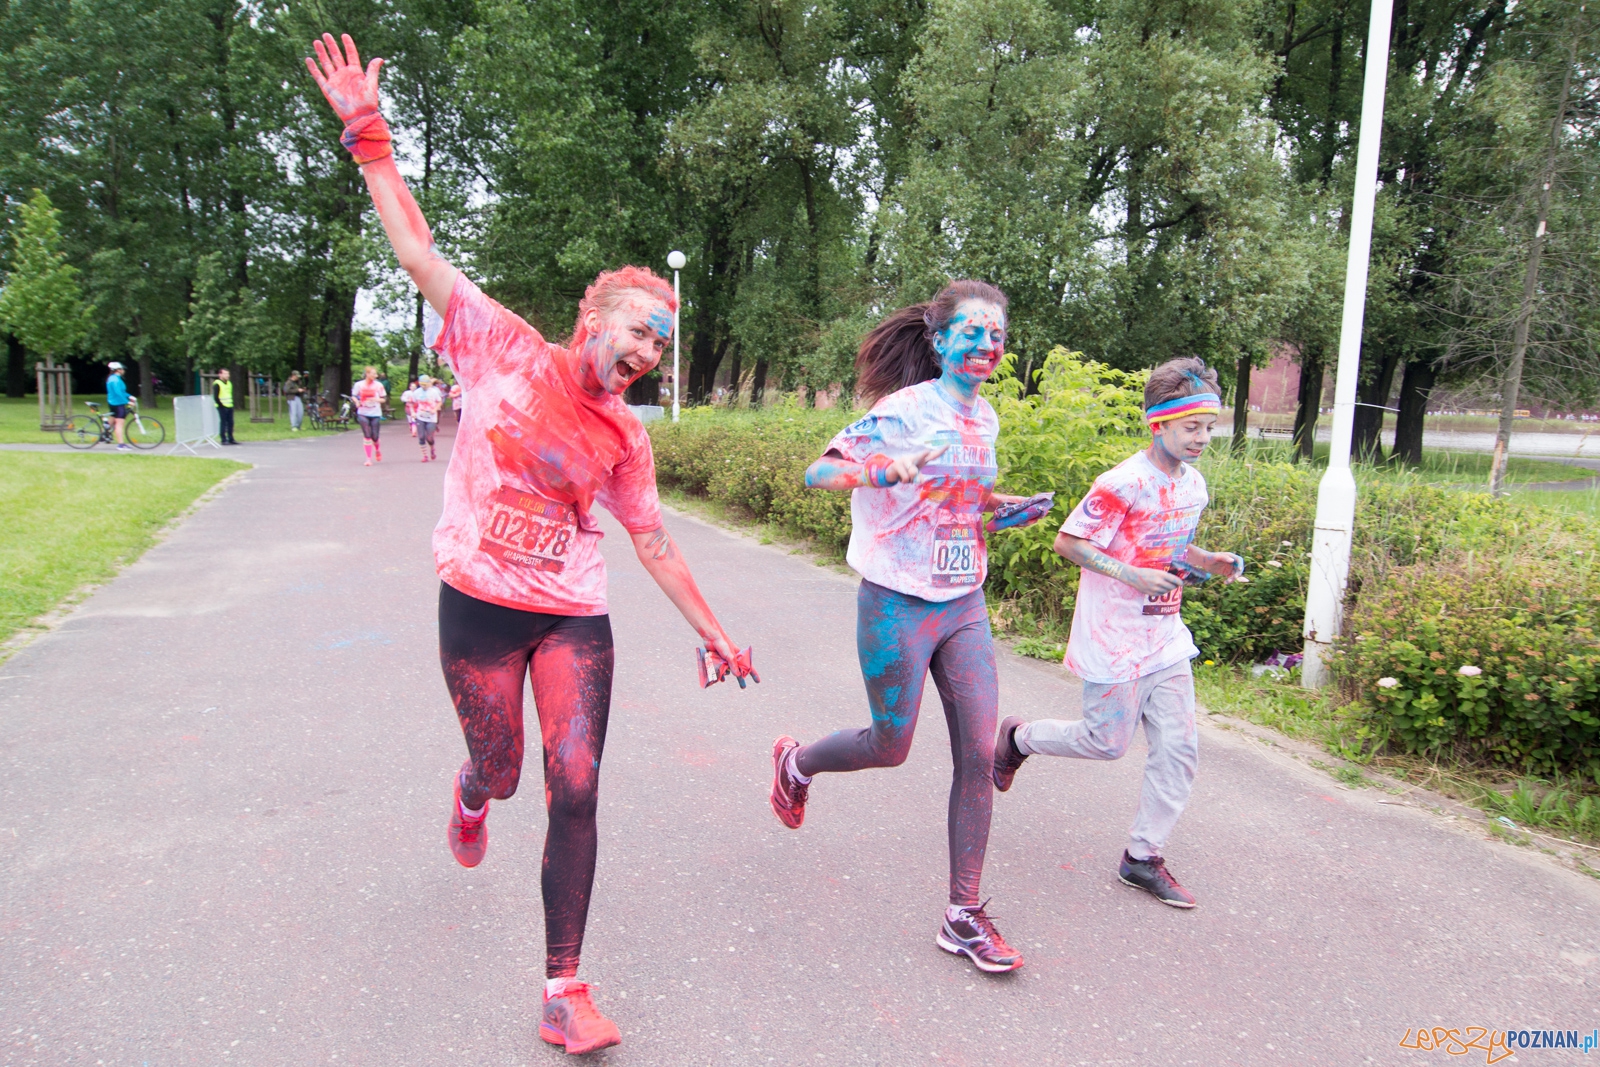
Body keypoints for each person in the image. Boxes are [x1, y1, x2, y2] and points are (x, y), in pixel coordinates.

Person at [307, 32, 757, 1055]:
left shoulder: (626, 436)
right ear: (591, 317)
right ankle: (470, 792)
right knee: (503, 769)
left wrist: (715, 630)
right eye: (635, 329)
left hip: (570, 612)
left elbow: (652, 541)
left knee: (578, 783)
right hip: (477, 601)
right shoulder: (500, 346)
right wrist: (369, 137)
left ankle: (565, 987)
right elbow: (418, 254)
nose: (645, 351)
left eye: (660, 343)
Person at [767, 280, 1049, 976]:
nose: (987, 344)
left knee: (977, 755)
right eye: (973, 332)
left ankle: (963, 913)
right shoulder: (903, 410)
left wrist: (1002, 508)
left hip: (964, 602)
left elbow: (959, 499)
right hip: (896, 601)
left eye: (997, 334)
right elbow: (818, 472)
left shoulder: (986, 418)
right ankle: (796, 764)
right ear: (940, 339)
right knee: (890, 745)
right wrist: (882, 469)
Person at [990, 357, 1244, 909]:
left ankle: (1142, 857)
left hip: (1165, 636)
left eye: (1209, 427)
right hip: (1112, 636)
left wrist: (1208, 561)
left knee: (1179, 749)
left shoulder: (1193, 485)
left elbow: (1173, 546)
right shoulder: (1121, 483)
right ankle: (1018, 738)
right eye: (1191, 427)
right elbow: (1068, 542)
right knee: (1106, 743)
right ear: (1159, 424)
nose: (1202, 438)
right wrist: (1131, 575)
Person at [352, 364, 387, 465]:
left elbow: (384, 399)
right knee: (367, 435)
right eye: (373, 374)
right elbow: (354, 396)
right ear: (367, 374)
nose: (376, 376)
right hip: (363, 412)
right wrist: (357, 402)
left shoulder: (378, 385)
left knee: (374, 436)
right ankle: (368, 459)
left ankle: (377, 449)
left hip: (375, 413)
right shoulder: (359, 385)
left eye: (376, 374)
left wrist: (376, 399)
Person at [413, 373, 442, 461]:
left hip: (431, 418)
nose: (423, 386)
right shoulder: (417, 392)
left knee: (429, 437)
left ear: (429, 383)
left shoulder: (434, 392)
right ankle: (425, 456)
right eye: (422, 384)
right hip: (420, 417)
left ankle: (432, 448)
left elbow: (439, 402)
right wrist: (413, 412)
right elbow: (413, 404)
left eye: (425, 384)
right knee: (421, 436)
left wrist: (435, 409)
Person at [105, 361, 131, 451]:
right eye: (122, 369)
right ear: (118, 370)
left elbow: (122, 392)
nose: (123, 370)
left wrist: (129, 396)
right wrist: (127, 401)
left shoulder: (113, 378)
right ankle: (121, 445)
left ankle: (103, 435)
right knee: (119, 424)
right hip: (118, 403)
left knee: (111, 421)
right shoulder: (115, 380)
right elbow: (118, 393)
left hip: (113, 402)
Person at [212, 368, 237, 445]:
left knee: (230, 422)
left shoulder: (229, 383)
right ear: (220, 374)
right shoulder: (217, 384)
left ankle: (231, 438)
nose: (227, 375)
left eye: (228, 374)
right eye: (225, 374)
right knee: (223, 422)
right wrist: (221, 405)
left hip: (229, 405)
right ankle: (223, 439)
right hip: (222, 406)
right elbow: (216, 397)